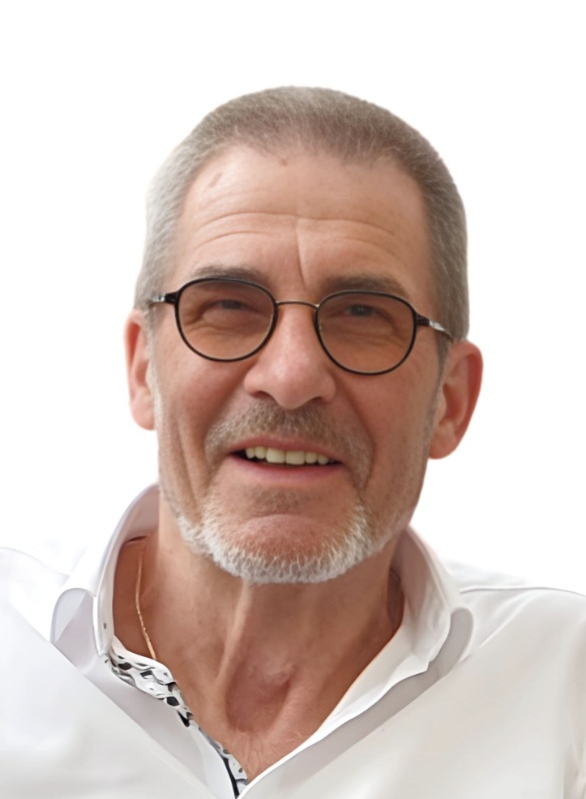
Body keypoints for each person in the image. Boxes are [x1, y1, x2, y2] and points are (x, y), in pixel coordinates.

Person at [1, 87, 585, 798]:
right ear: (143, 368)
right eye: (228, 306)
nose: (291, 377)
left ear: (450, 400)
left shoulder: (565, 692)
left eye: (363, 314)